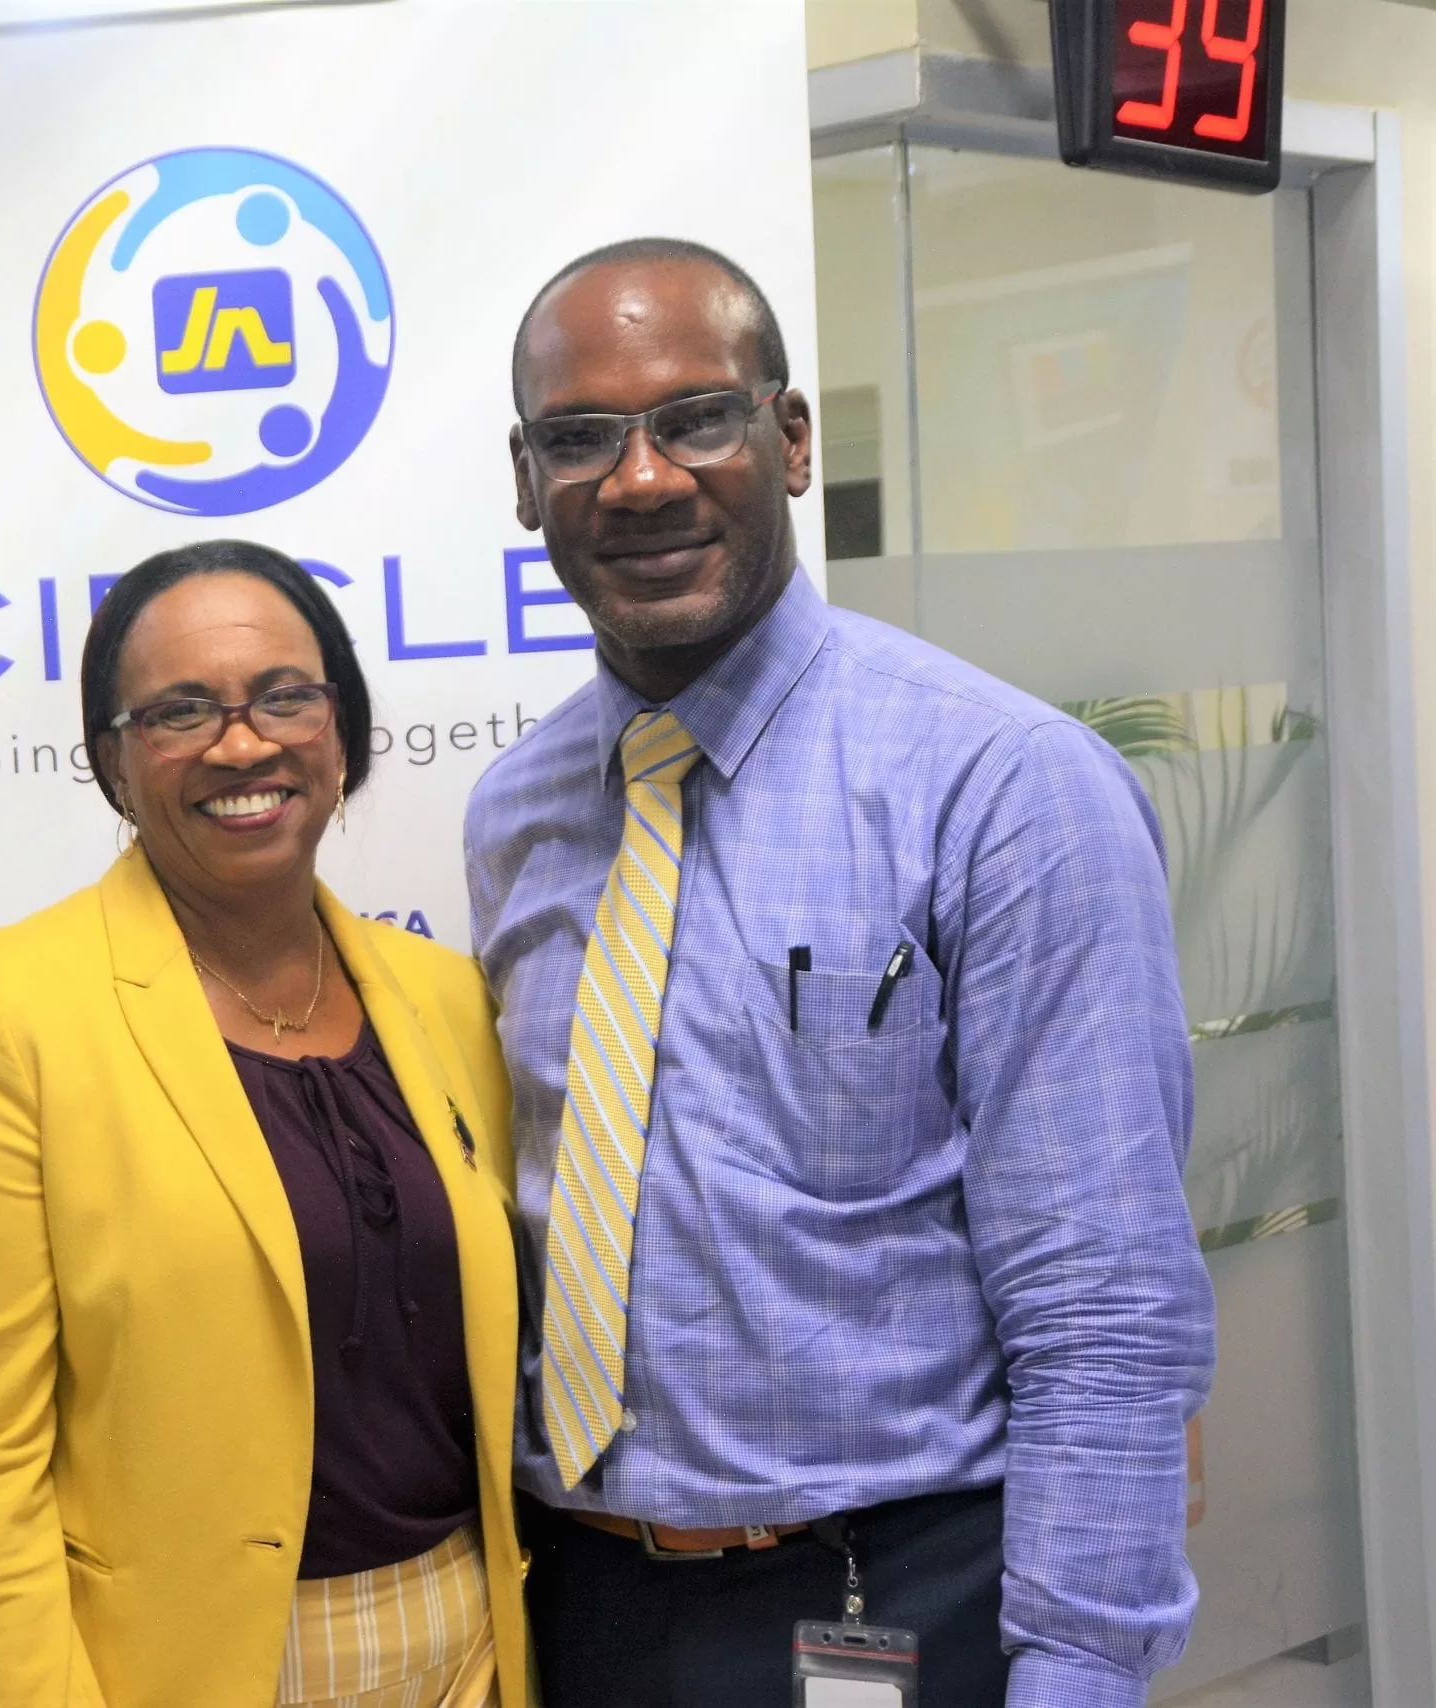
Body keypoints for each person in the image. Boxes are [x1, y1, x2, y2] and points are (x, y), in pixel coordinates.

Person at [465, 237, 1215, 1708]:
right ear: (524, 478)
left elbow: (1103, 1298)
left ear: (789, 440)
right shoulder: (520, 813)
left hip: (901, 1596)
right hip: (584, 1603)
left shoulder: (1001, 786)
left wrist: (1078, 1669)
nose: (641, 480)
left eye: (696, 417)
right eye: (581, 438)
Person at [0, 541, 530, 1708]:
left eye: (285, 697)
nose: (243, 744)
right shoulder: (13, 1015)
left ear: (339, 731)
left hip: (472, 1644)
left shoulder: (450, 998)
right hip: (188, 1665)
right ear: (110, 762)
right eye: (180, 711)